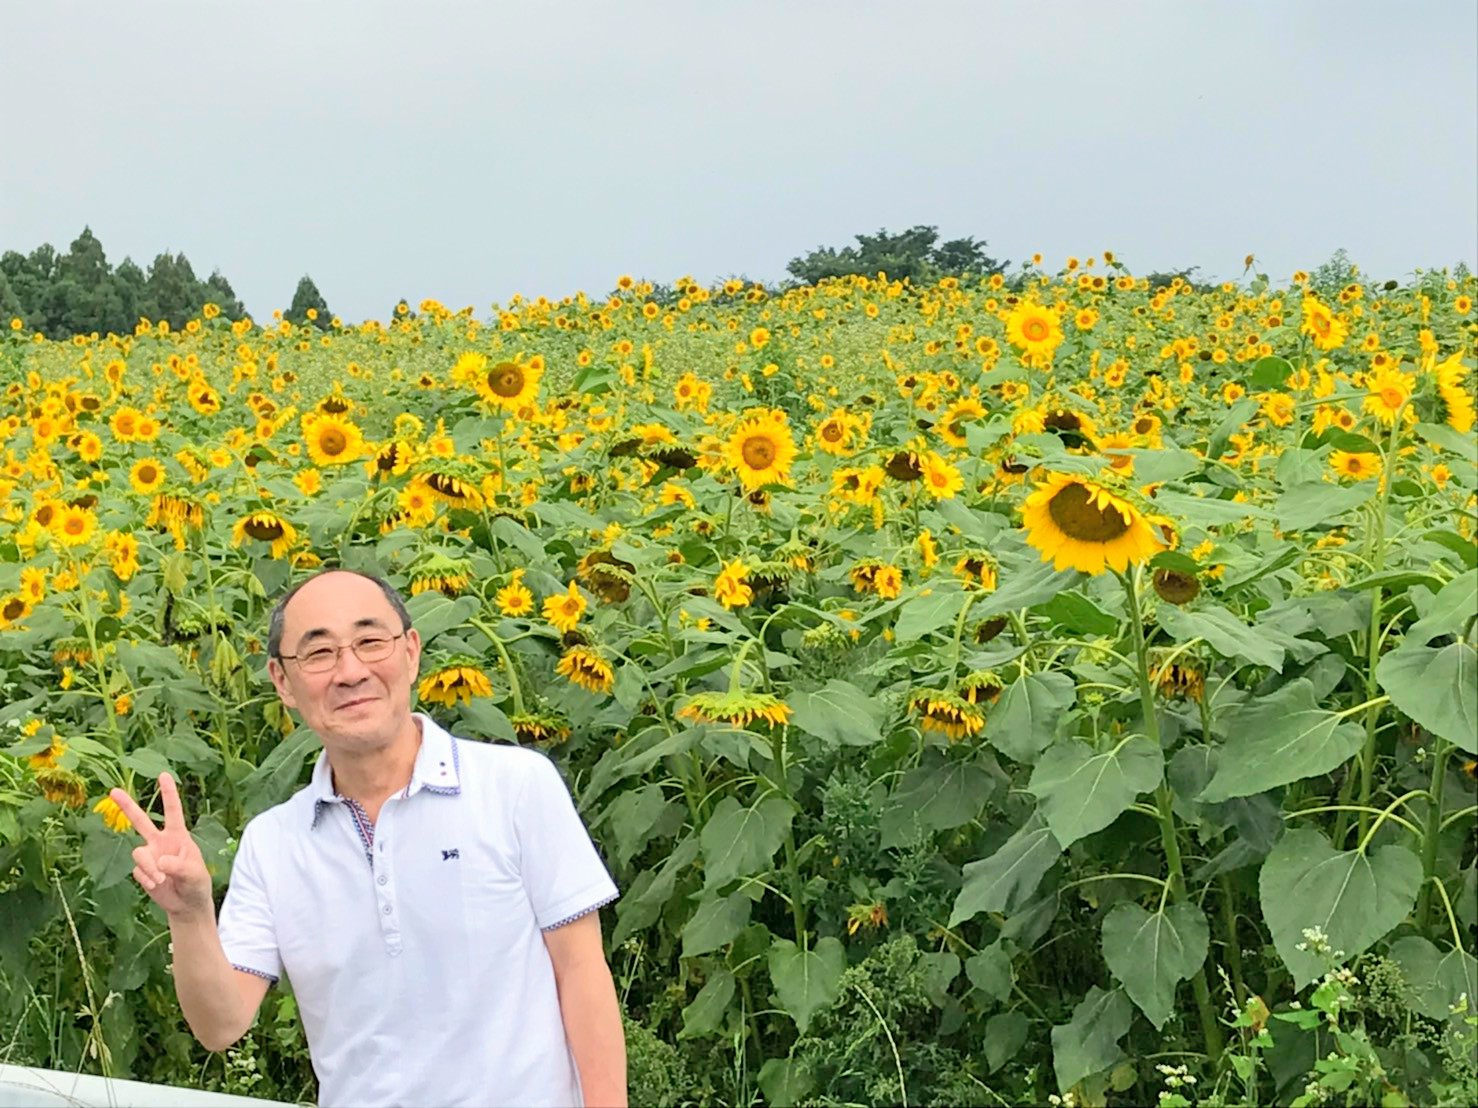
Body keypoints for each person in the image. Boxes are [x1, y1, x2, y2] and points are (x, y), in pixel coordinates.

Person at [111, 569, 627, 1107]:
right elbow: (221, 1025)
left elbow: (582, 971)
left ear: (410, 652)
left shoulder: (515, 785)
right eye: (319, 654)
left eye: (370, 641)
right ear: (282, 681)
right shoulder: (273, 843)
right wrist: (190, 914)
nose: (350, 671)